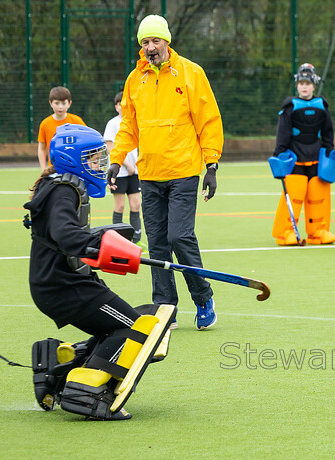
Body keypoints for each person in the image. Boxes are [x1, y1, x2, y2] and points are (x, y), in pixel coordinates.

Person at [24, 123, 174, 420]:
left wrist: (108, 243)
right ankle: (85, 395)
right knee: (134, 330)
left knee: (115, 328)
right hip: (62, 286)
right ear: (71, 158)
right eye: (93, 158)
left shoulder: (62, 185)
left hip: (66, 281)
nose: (100, 164)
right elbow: (66, 235)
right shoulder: (63, 191)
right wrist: (105, 246)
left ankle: (56, 370)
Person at [108, 14, 223, 330]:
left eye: (155, 40)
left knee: (179, 236)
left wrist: (211, 166)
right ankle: (165, 307)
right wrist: (116, 160)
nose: (150, 47)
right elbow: (129, 126)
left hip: (184, 171)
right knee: (157, 242)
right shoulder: (135, 80)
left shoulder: (190, 73)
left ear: (167, 42)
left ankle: (203, 298)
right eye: (144, 42)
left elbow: (208, 120)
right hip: (149, 173)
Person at [270, 63, 335, 245]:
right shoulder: (290, 107)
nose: (304, 86)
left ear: (314, 85)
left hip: (316, 159)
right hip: (295, 159)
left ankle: (318, 231)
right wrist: (279, 154)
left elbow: (328, 132)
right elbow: (282, 133)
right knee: (294, 195)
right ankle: (285, 232)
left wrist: (329, 150)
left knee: (318, 196)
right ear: (297, 85)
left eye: (308, 83)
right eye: (301, 83)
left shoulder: (322, 106)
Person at [103, 92, 143, 245]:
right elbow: (110, 146)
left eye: (125, 103)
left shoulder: (135, 120)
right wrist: (126, 164)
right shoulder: (113, 123)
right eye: (120, 104)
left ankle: (137, 241)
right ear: (116, 107)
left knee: (136, 205)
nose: (122, 106)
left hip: (135, 172)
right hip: (119, 172)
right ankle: (118, 241)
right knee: (119, 206)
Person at [37, 86, 86, 173]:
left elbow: (86, 142)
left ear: (69, 103)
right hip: (54, 170)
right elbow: (41, 148)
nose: (60, 107)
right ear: (50, 103)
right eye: (57, 103)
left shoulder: (77, 121)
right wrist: (44, 169)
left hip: (75, 168)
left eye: (63, 103)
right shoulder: (45, 124)